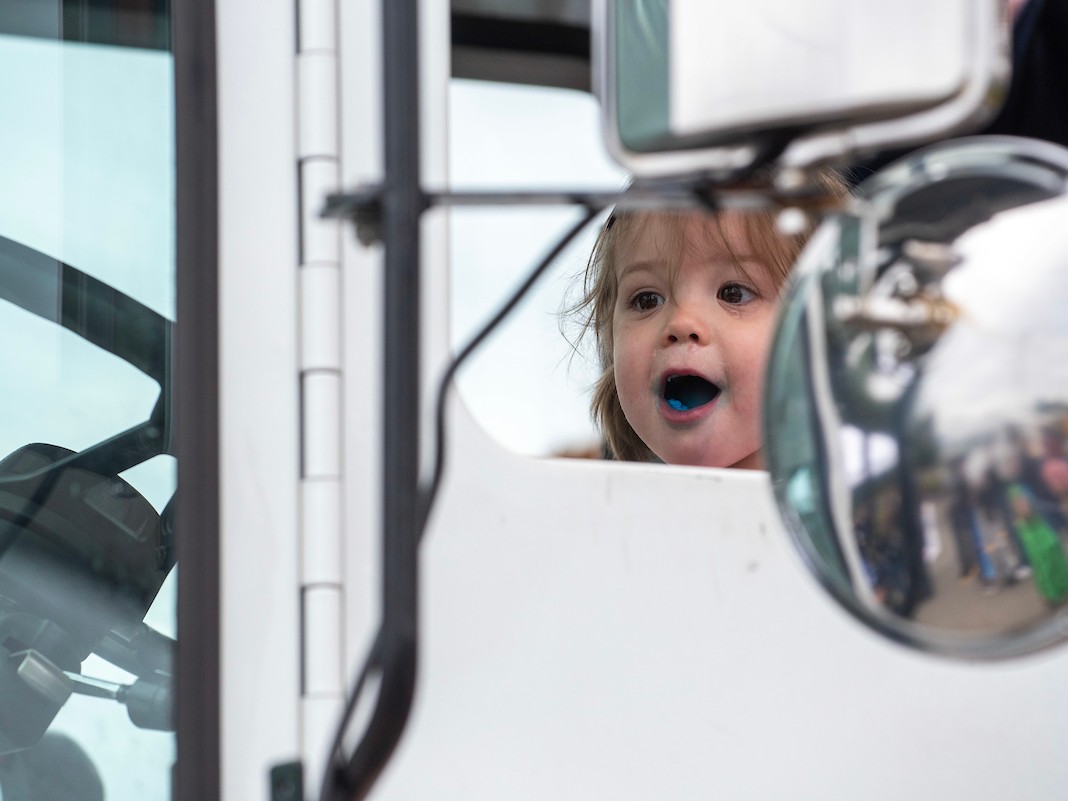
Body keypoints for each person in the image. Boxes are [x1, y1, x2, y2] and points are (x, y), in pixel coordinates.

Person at [573, 185, 839, 468]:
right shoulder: (608, 507)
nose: (681, 322)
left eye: (733, 293)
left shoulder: (863, 508)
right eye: (647, 300)